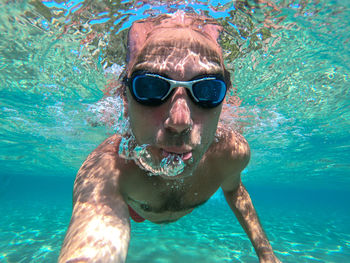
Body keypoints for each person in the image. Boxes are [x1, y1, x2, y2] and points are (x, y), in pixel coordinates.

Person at [59, 11, 280, 263]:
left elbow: (235, 191)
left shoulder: (231, 153)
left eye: (207, 91)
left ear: (222, 102)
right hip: (135, 209)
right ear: (125, 99)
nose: (179, 121)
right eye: (150, 87)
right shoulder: (107, 169)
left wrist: (266, 254)